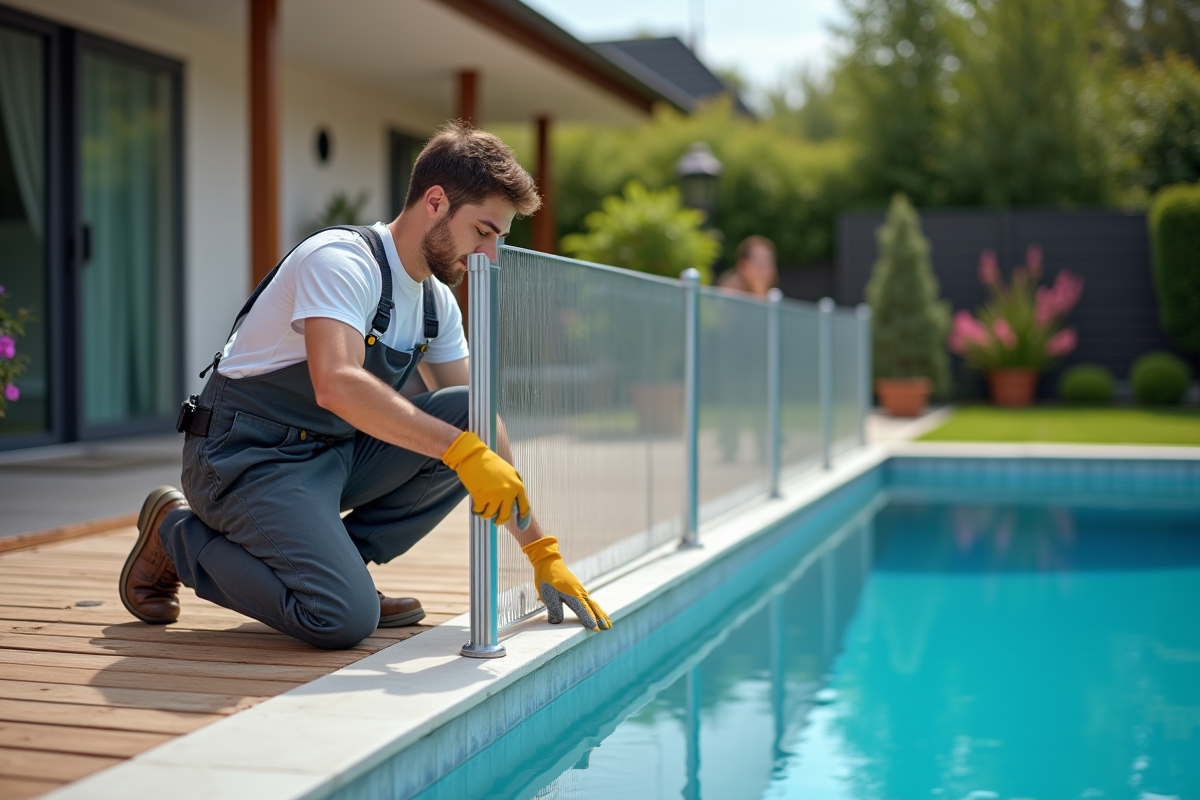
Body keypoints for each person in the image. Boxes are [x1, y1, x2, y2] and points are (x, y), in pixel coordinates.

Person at [119, 122, 611, 650]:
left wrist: (541, 551)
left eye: (499, 239)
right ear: (436, 202)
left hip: (331, 458)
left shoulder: (433, 303)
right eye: (483, 232)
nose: (489, 255)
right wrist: (460, 451)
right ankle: (175, 533)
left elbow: (479, 418)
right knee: (342, 619)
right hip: (243, 458)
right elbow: (336, 384)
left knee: (470, 417)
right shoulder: (342, 262)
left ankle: (335, 567)